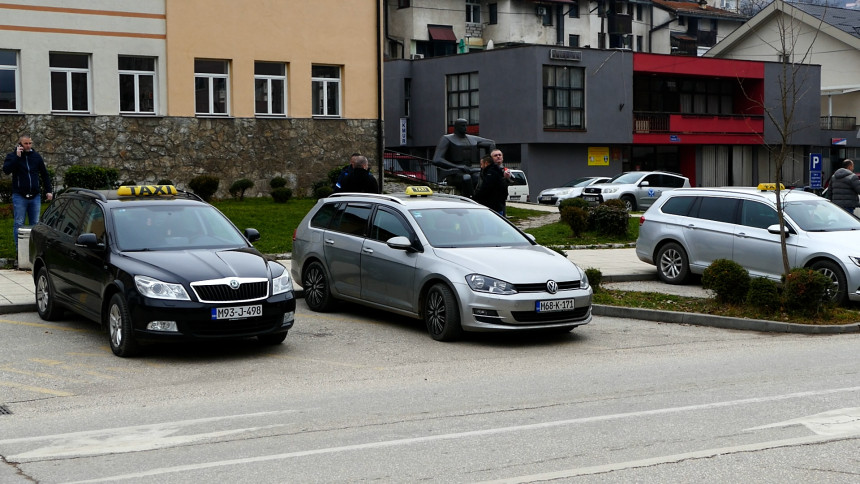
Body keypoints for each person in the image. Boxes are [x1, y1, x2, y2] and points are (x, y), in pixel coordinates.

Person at [3, 135, 53, 250]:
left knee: (35, 224)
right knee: (19, 223)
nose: (28, 146)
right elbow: (6, 170)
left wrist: (48, 190)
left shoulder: (36, 157)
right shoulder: (12, 156)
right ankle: (19, 251)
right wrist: (17, 157)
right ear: (20, 144)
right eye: (25, 143)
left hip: (35, 196)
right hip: (20, 196)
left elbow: (44, 174)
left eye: (30, 143)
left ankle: (33, 250)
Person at [431, 118, 495, 197]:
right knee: (466, 178)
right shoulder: (446, 139)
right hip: (454, 173)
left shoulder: (471, 139)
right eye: (462, 126)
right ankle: (470, 198)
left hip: (469, 169)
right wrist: (458, 166)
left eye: (466, 126)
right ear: (456, 127)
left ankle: (480, 198)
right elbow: (436, 159)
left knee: (478, 177)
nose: (465, 128)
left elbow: (491, 143)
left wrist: (488, 165)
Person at [490, 149, 512, 215]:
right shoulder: (489, 170)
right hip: (491, 200)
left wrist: (508, 178)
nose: (498, 156)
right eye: (495, 155)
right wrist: (503, 178)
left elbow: (509, 183)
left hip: (502, 200)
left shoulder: (505, 170)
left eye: (500, 155)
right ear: (491, 158)